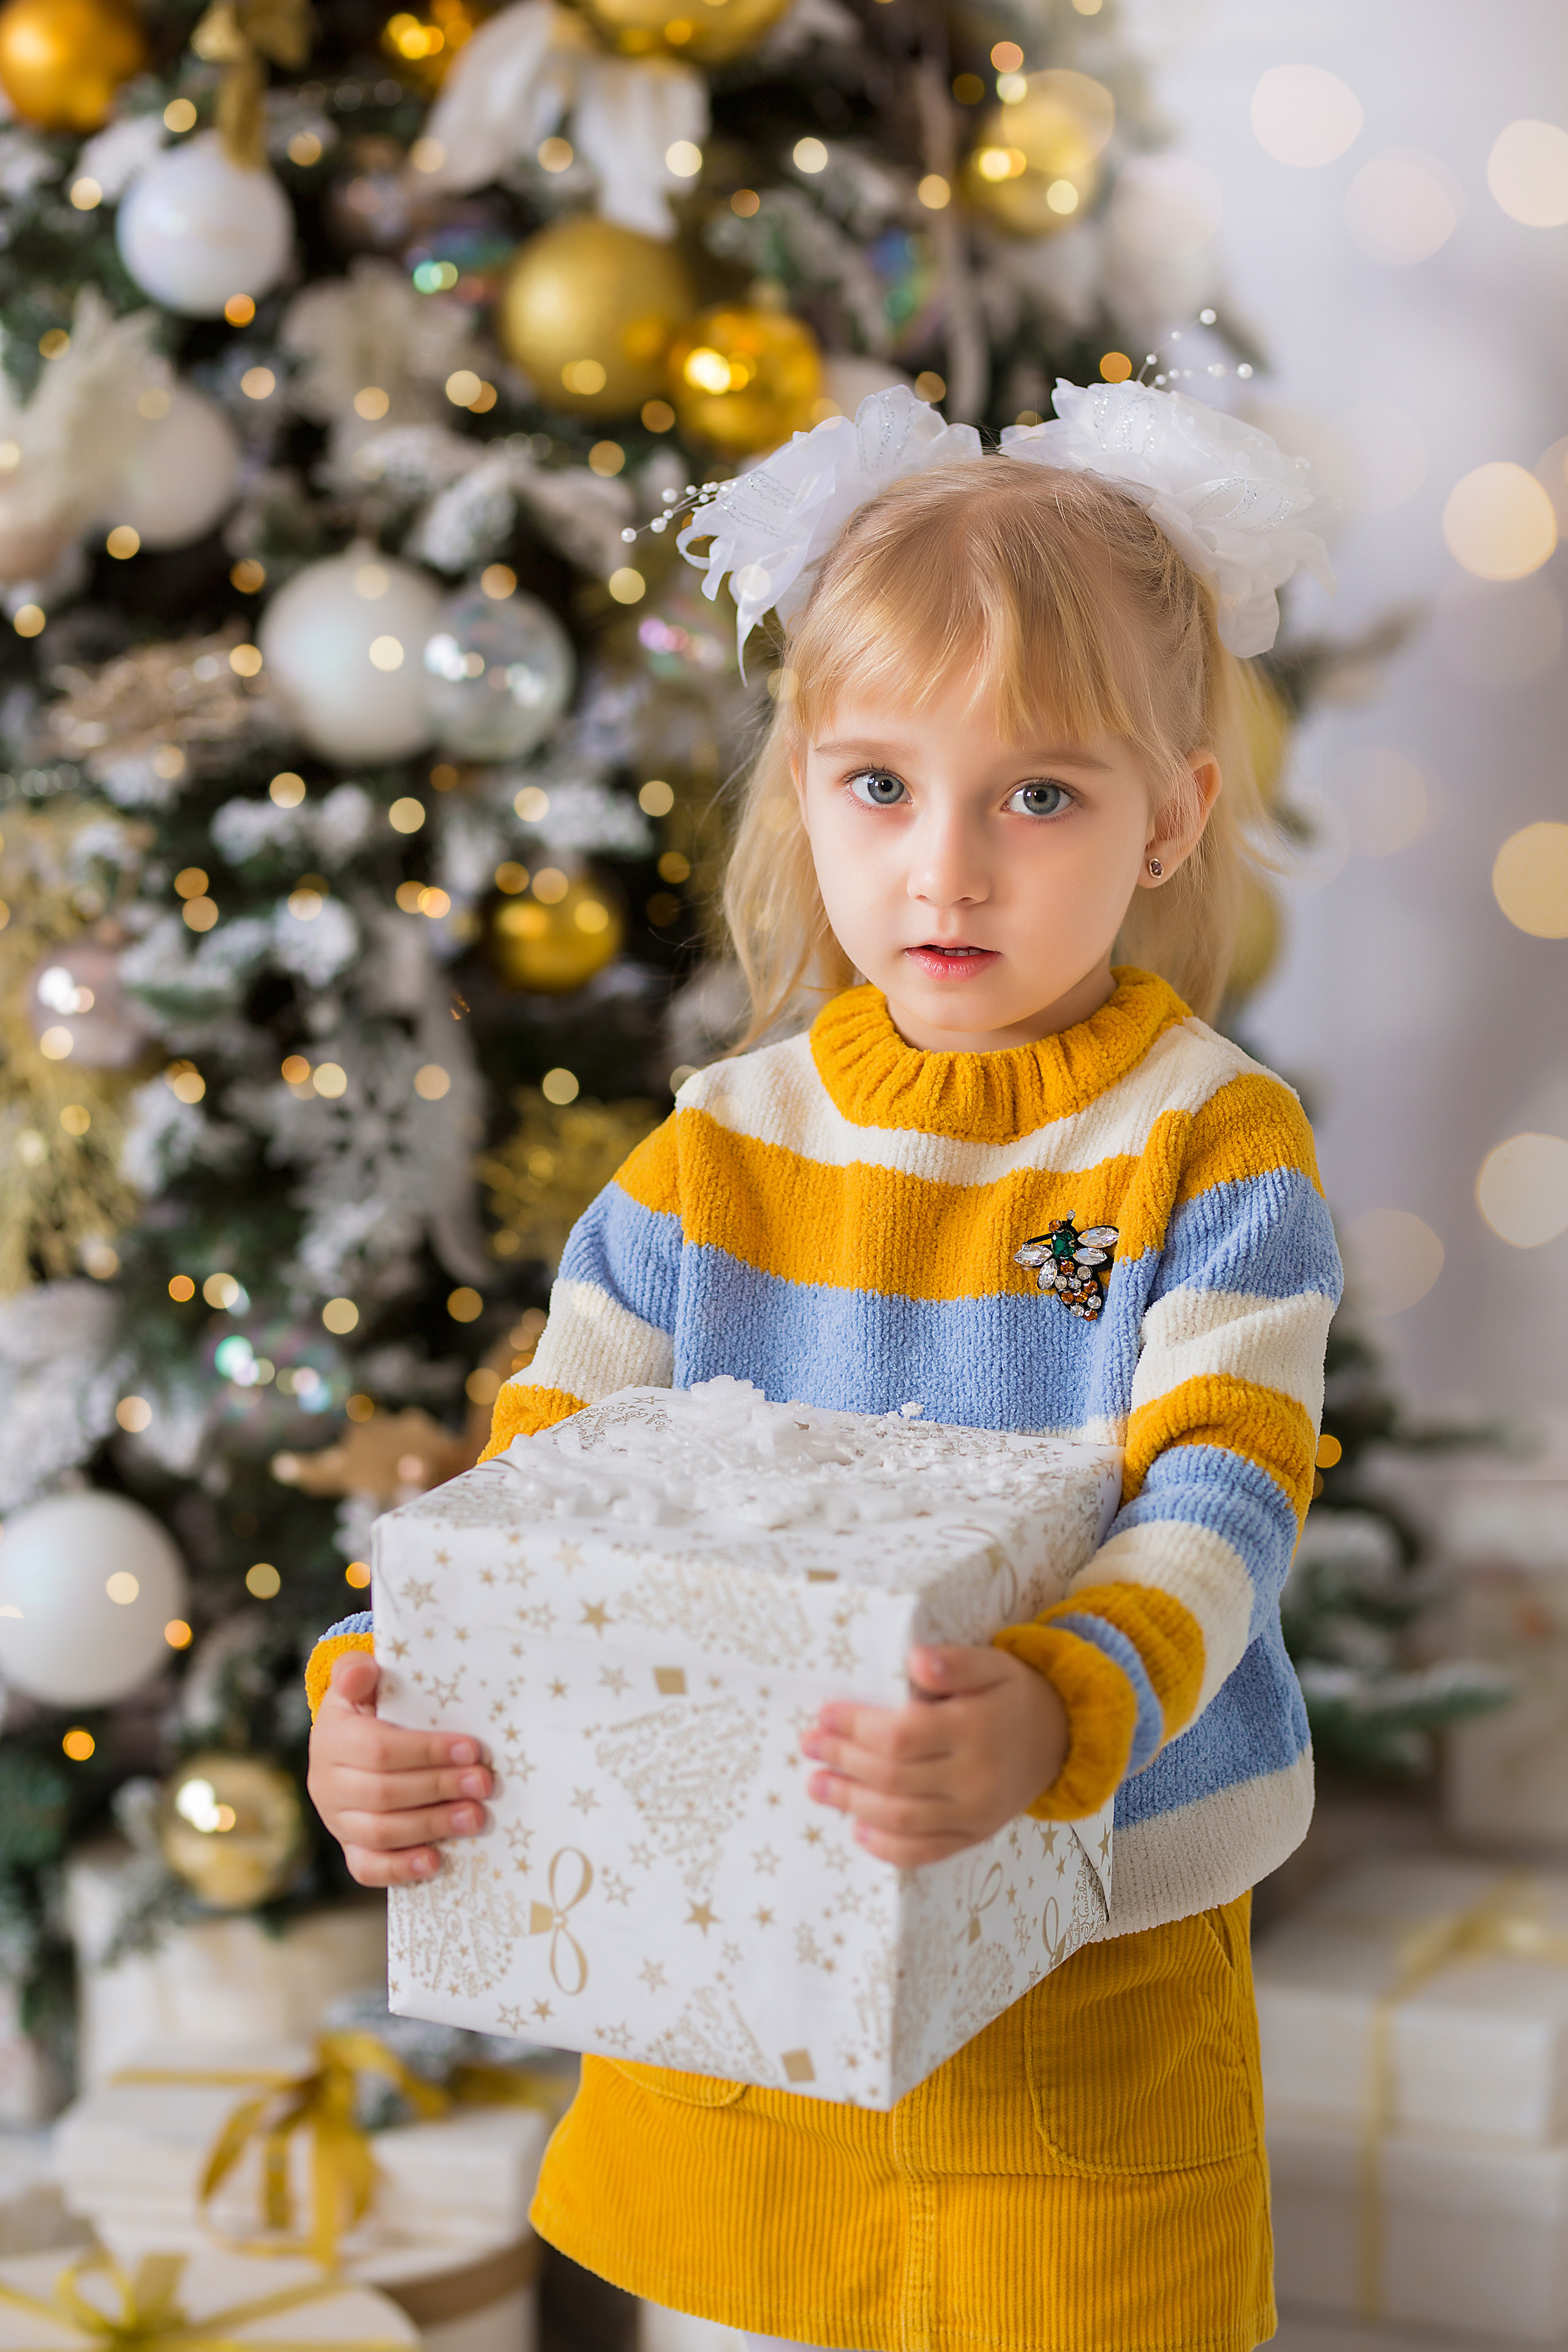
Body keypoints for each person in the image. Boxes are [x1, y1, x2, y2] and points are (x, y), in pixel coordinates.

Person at [306, 377, 1343, 2352]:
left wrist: (1060, 1708)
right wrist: (380, 1689)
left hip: (1083, 1994)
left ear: (1171, 816)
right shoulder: (714, 1152)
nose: (947, 870)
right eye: (882, 785)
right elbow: (537, 1485)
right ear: (802, 784)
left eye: (1038, 795)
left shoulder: (1211, 1142)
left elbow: (1228, 1486)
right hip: (733, 1981)